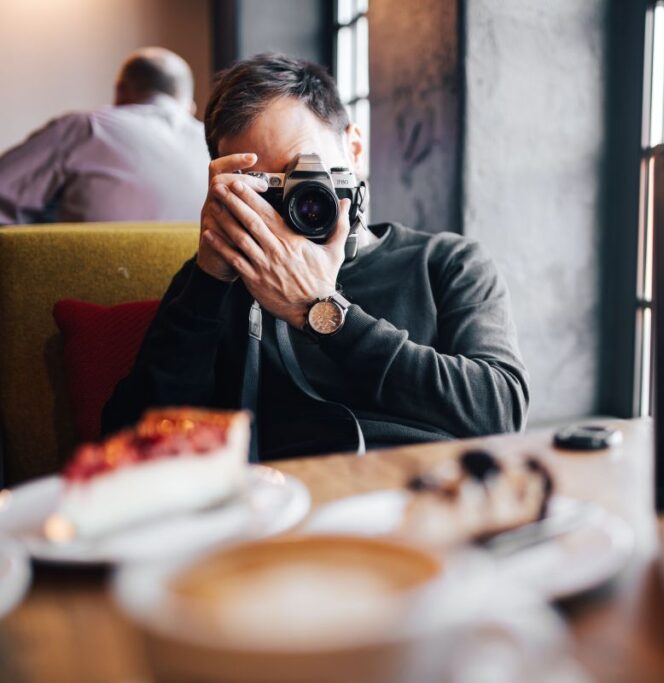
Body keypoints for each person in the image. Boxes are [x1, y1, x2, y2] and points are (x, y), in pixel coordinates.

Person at [102, 53, 528, 459]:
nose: (294, 200)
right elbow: (132, 443)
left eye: (306, 171)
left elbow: (500, 413)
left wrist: (321, 311)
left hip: (427, 494)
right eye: (265, 185)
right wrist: (208, 282)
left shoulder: (448, 263)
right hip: (287, 508)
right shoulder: (219, 279)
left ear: (354, 151)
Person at [0, 47, 208, 225]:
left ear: (120, 91)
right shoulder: (214, 146)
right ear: (189, 108)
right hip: (196, 272)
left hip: (87, 270)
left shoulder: (85, 127)